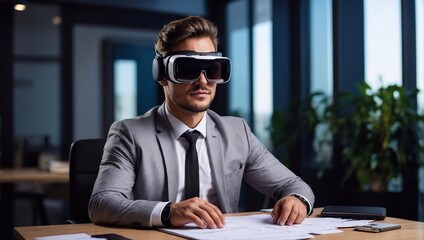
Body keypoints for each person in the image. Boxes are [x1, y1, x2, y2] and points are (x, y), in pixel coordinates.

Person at [88, 15, 315, 229]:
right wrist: (168, 212)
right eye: (187, 69)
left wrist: (297, 200)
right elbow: (102, 204)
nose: (203, 81)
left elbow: (294, 186)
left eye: (213, 69)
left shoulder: (237, 132)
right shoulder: (130, 133)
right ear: (162, 74)